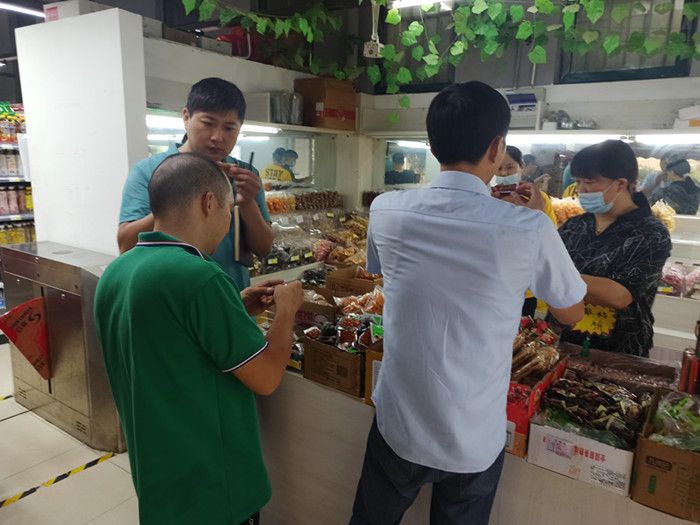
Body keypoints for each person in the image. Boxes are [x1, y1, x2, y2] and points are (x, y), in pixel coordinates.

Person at [350, 81, 585, 525]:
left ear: (431, 144)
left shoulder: (386, 209)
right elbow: (571, 311)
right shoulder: (529, 227)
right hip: (472, 433)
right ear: (497, 147)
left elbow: (381, 270)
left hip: (400, 420)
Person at [95, 153, 304, 525]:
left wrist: (235, 305)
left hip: (160, 476)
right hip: (215, 485)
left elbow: (173, 342)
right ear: (209, 203)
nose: (227, 223)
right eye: (228, 210)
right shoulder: (200, 277)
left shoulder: (117, 272)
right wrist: (287, 309)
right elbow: (267, 377)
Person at [118, 77, 273, 290]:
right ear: (186, 117)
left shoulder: (245, 175)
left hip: (233, 298)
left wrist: (247, 203)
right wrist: (178, 194)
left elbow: (264, 249)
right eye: (208, 124)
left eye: (229, 128)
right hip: (171, 299)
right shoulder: (149, 171)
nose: (217, 137)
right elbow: (126, 246)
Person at [557, 140, 672, 357]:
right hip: (562, 342)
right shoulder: (575, 226)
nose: (581, 190)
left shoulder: (651, 233)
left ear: (620, 184)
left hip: (618, 351)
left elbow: (618, 295)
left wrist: (554, 275)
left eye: (589, 182)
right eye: (578, 181)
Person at [494, 145, 558, 317]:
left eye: (510, 167)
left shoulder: (537, 199)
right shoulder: (488, 198)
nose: (503, 173)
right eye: (498, 169)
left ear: (521, 167)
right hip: (495, 283)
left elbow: (550, 237)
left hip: (526, 288)